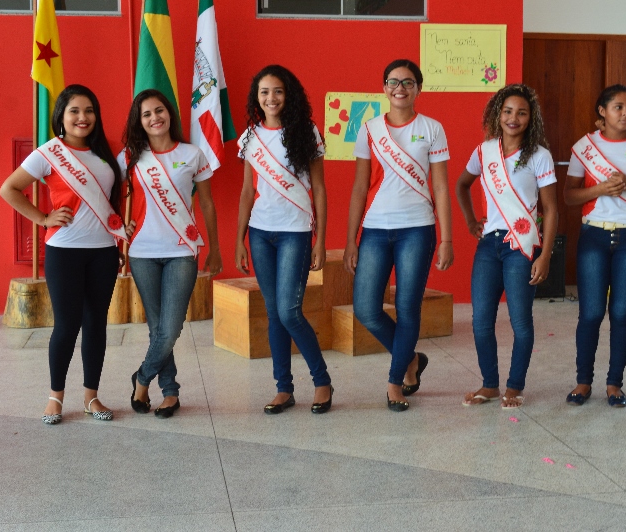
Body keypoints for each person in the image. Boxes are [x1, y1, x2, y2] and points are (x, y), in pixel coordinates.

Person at [0, 85, 128, 424]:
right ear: (61, 116)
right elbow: (9, 188)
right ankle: (55, 397)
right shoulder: (49, 153)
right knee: (67, 325)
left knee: (96, 324)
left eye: (89, 110)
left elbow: (114, 201)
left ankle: (91, 397)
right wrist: (43, 218)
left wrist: (117, 243)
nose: (82, 117)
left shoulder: (106, 153)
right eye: (74, 111)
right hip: (64, 251)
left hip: (103, 252)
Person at [344, 59, 452, 412]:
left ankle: (395, 382)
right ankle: (411, 359)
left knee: (407, 308)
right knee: (366, 309)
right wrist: (350, 239)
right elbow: (359, 187)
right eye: (393, 82)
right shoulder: (370, 129)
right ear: (384, 88)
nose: (400, 88)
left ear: (418, 88)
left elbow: (440, 186)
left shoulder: (432, 128)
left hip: (417, 229)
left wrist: (447, 238)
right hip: (375, 229)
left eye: (407, 82)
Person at [235, 65, 333, 415]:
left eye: (277, 91)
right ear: (256, 97)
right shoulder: (250, 137)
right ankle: (283, 389)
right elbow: (247, 191)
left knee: (289, 311)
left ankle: (322, 381)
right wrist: (239, 238)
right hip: (260, 233)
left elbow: (319, 188)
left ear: (288, 95)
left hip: (296, 231)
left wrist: (321, 239)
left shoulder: (306, 132)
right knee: (274, 313)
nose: (271, 98)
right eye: (264, 92)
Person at [455, 84, 558, 409]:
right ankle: (489, 385)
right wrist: (471, 221)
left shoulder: (539, 156)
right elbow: (461, 185)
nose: (514, 118)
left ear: (531, 118)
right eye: (508, 111)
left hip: (522, 247)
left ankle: (514, 387)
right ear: (498, 114)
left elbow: (551, 209)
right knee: (481, 321)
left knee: (520, 322)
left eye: (522, 113)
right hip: (489, 245)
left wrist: (545, 254)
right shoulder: (484, 151)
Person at [121, 89, 222, 419]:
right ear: (139, 122)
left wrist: (215, 248)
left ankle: (141, 378)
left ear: (170, 114)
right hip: (142, 251)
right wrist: (119, 223)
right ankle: (170, 392)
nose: (155, 118)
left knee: (171, 327)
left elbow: (207, 203)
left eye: (159, 110)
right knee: (157, 329)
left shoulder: (193, 154)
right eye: (147, 114)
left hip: (182, 250)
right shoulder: (130, 157)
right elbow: (107, 193)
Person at [564, 85, 626, 407]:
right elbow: (569, 196)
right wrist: (600, 190)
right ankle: (583, 382)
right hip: (594, 236)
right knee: (591, 312)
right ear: (602, 111)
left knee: (621, 312)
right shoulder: (585, 146)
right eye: (618, 107)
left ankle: (614, 384)